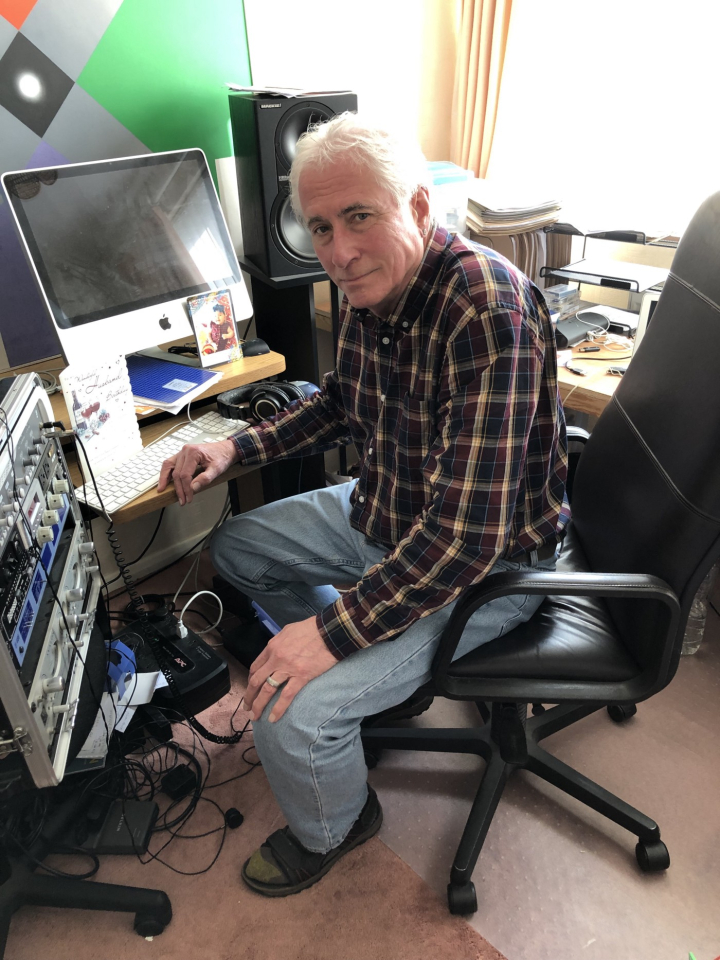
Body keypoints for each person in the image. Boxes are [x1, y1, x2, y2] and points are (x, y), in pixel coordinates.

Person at [157, 114, 568, 898]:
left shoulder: (488, 313)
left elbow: (462, 540)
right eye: (319, 226)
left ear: (417, 206)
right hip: (387, 507)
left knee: (286, 710)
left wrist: (332, 635)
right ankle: (375, 684)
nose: (337, 250)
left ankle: (337, 821)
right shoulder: (366, 285)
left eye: (358, 217)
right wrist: (232, 451)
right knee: (241, 547)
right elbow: (342, 404)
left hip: (484, 565)